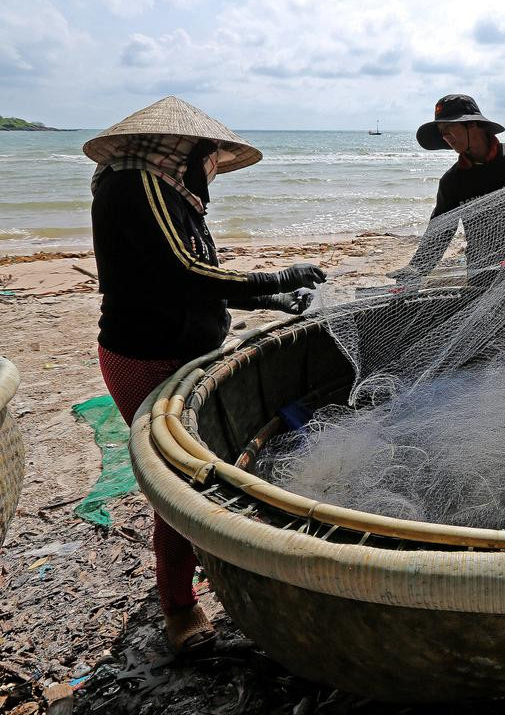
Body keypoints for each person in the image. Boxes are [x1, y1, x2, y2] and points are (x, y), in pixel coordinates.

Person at [85, 96, 326, 655]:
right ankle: (179, 608)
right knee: (181, 487)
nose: (214, 167)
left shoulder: (172, 194)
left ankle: (198, 568)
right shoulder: (136, 186)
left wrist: (272, 301)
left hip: (182, 348)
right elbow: (183, 271)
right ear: (185, 151)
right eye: (211, 156)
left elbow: (197, 278)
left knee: (201, 472)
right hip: (147, 356)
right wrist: (272, 278)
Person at [392, 93, 505, 288]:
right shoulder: (453, 180)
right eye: (442, 132)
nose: (445, 137)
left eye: (449, 128)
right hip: (481, 279)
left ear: (473, 125)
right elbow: (439, 234)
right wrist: (415, 272)